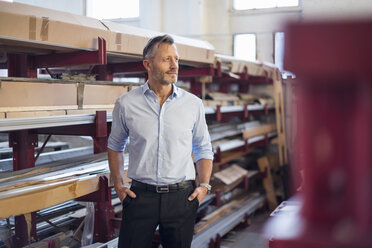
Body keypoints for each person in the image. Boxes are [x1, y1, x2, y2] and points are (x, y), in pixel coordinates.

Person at [107, 34, 214, 248]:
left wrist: (203, 186)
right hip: (139, 197)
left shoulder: (193, 104)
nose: (174, 65)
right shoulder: (126, 104)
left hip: (181, 198)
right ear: (148, 64)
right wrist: (118, 185)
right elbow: (115, 145)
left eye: (176, 59)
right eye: (166, 59)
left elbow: (203, 147)